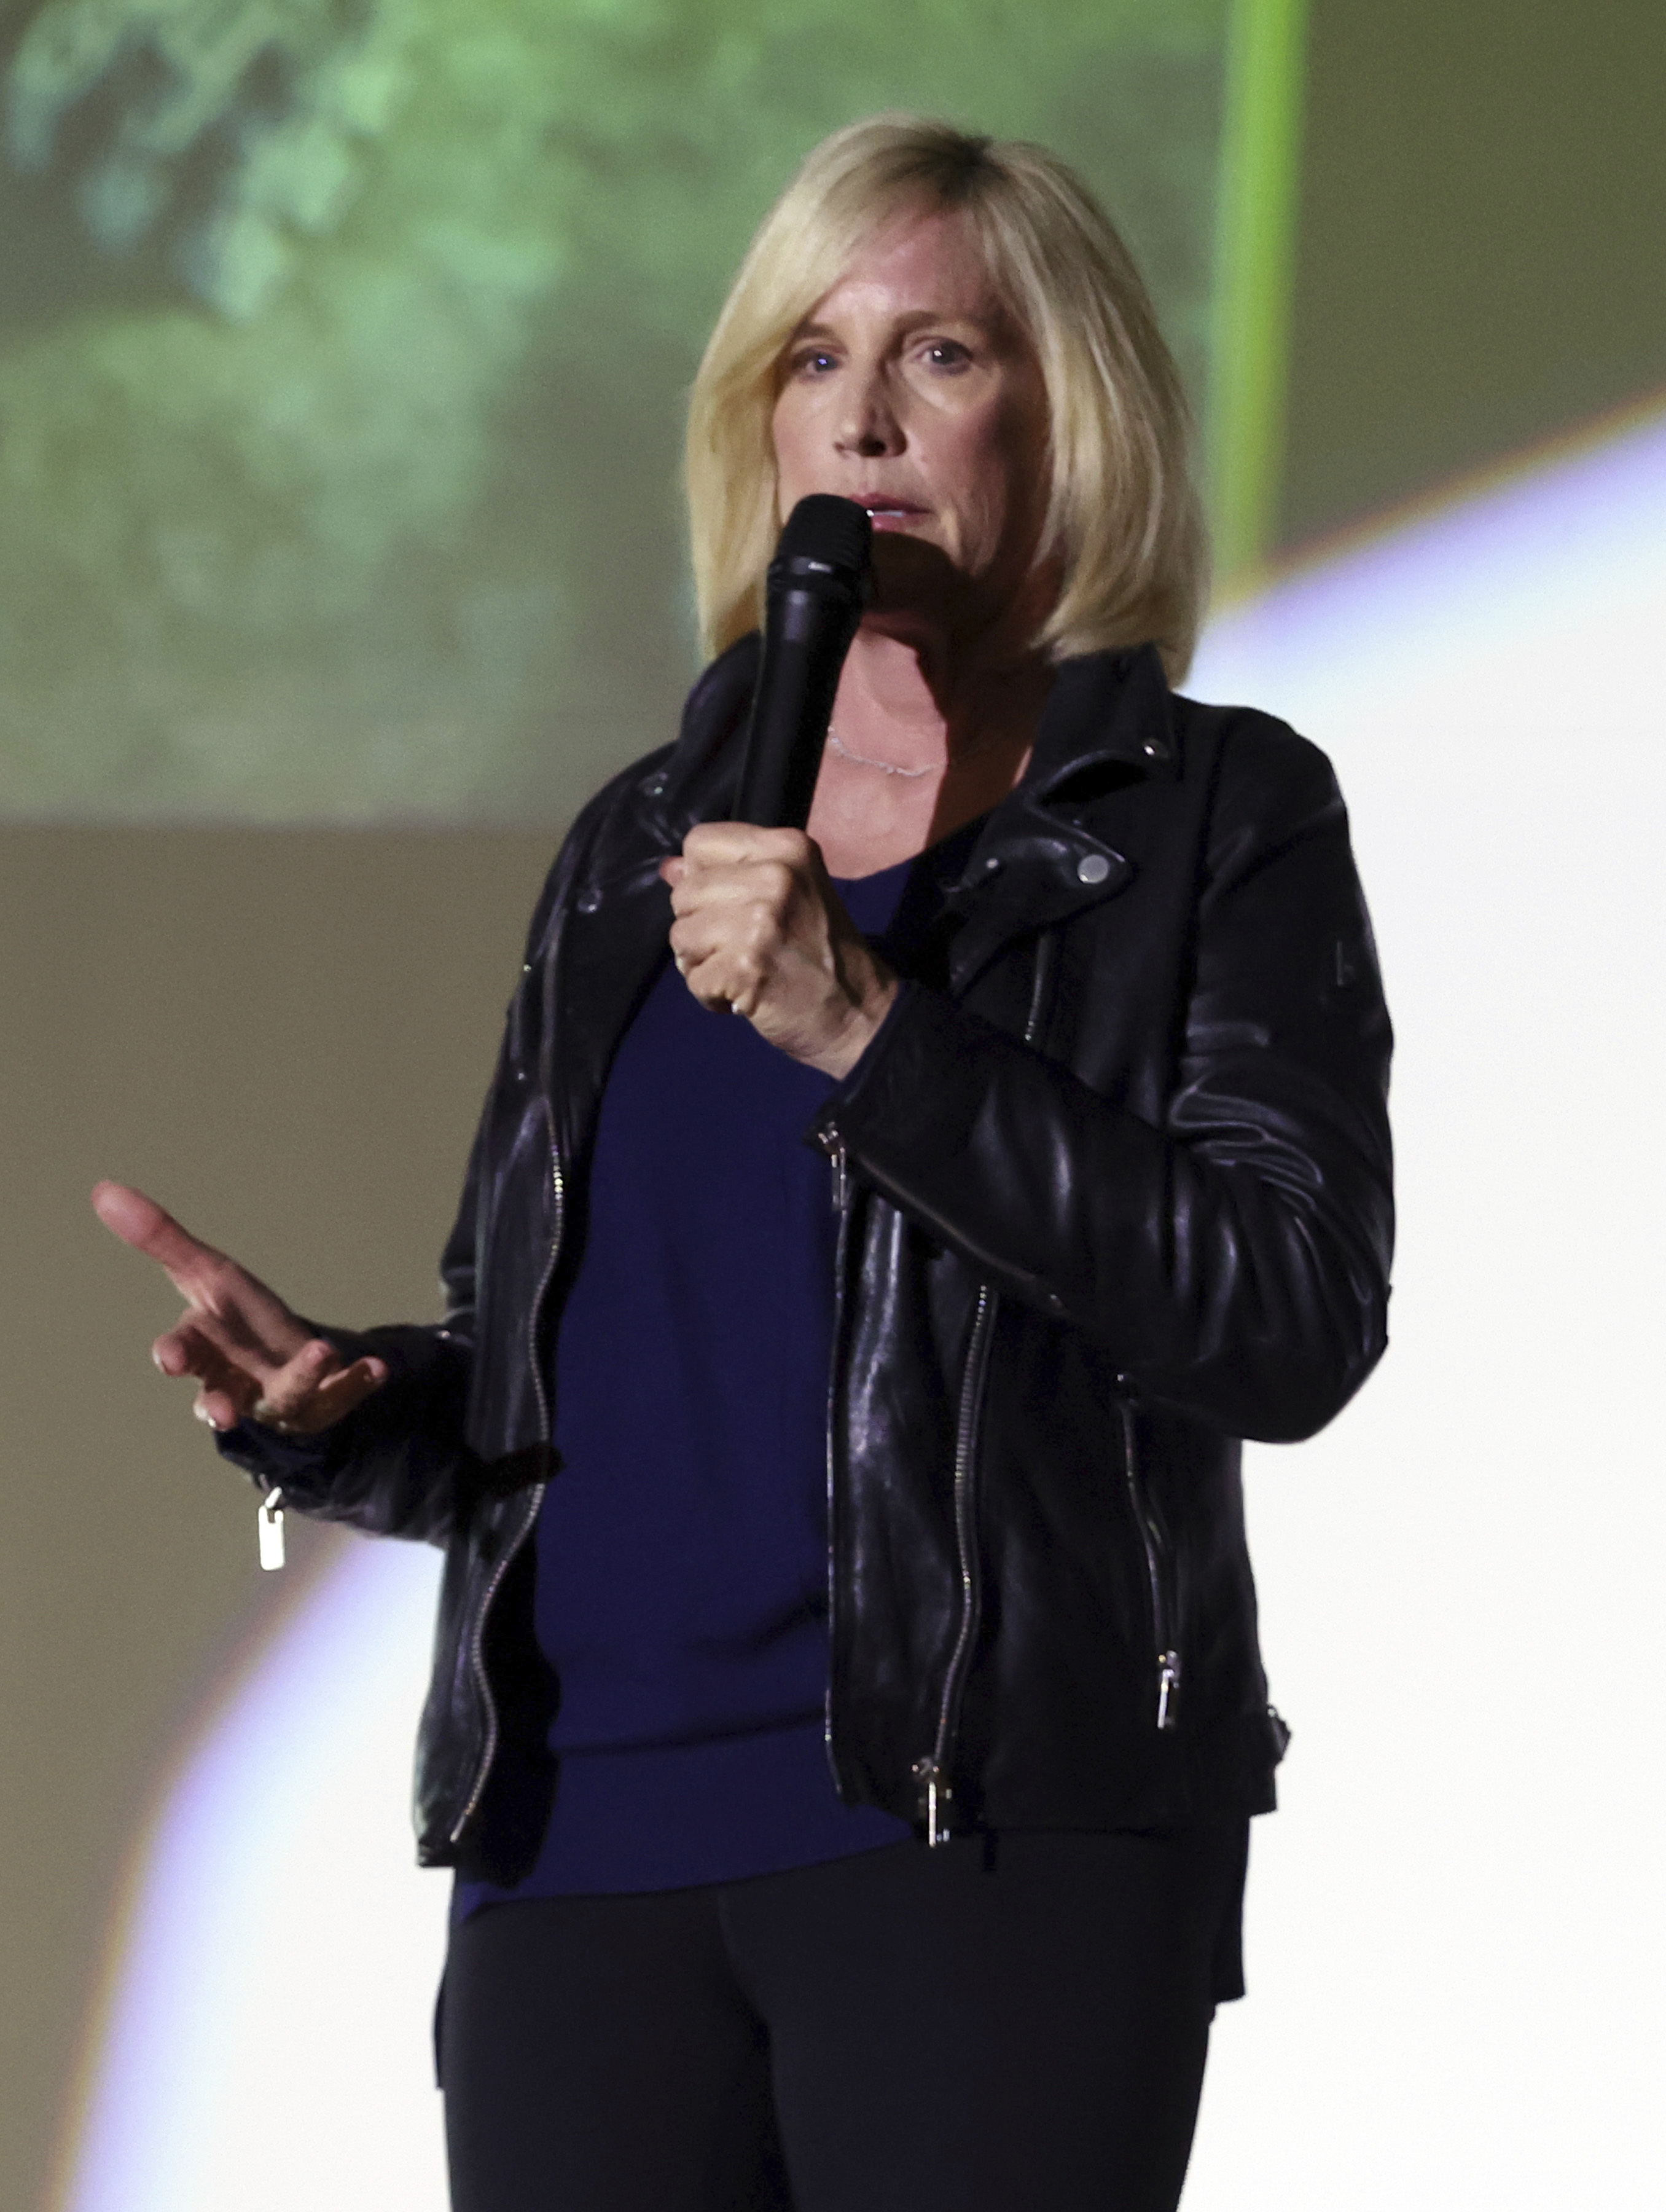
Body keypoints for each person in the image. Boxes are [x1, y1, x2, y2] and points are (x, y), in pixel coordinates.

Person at [93, 117, 1393, 2212]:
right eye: (810, 360)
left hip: (985, 1836)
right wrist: (343, 1415)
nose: (862, 418)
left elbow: (1286, 1316)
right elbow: (574, 1395)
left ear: (1073, 409)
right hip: (578, 1853)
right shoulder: (636, 846)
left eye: (943, 356)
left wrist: (870, 1032)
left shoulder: (1206, 819)